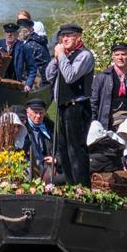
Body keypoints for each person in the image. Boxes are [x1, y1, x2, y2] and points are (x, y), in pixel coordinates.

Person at [45, 24, 95, 186]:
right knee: (64, 148)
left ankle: (81, 186)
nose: (64, 39)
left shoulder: (85, 55)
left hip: (77, 107)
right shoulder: (64, 55)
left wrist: (61, 56)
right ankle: (70, 184)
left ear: (78, 37)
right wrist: (56, 58)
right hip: (63, 106)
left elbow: (70, 76)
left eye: (69, 36)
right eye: (63, 37)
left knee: (76, 149)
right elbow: (48, 75)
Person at [17, 99, 65, 184]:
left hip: (47, 166)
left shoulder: (49, 126)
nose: (38, 116)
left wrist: (56, 159)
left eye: (41, 113)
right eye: (35, 112)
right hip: (29, 166)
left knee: (65, 178)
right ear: (28, 113)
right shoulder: (22, 127)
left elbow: (60, 148)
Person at [0, 22, 36, 90]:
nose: (9, 34)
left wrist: (28, 84)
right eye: (7, 32)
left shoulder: (24, 47)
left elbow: (32, 68)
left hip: (16, 82)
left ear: (17, 34)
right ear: (4, 34)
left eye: (12, 32)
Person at [18, 18, 50, 84]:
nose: (20, 33)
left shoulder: (30, 45)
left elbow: (20, 65)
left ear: (31, 31)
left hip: (39, 80)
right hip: (43, 77)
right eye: (20, 30)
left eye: (24, 30)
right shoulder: (39, 41)